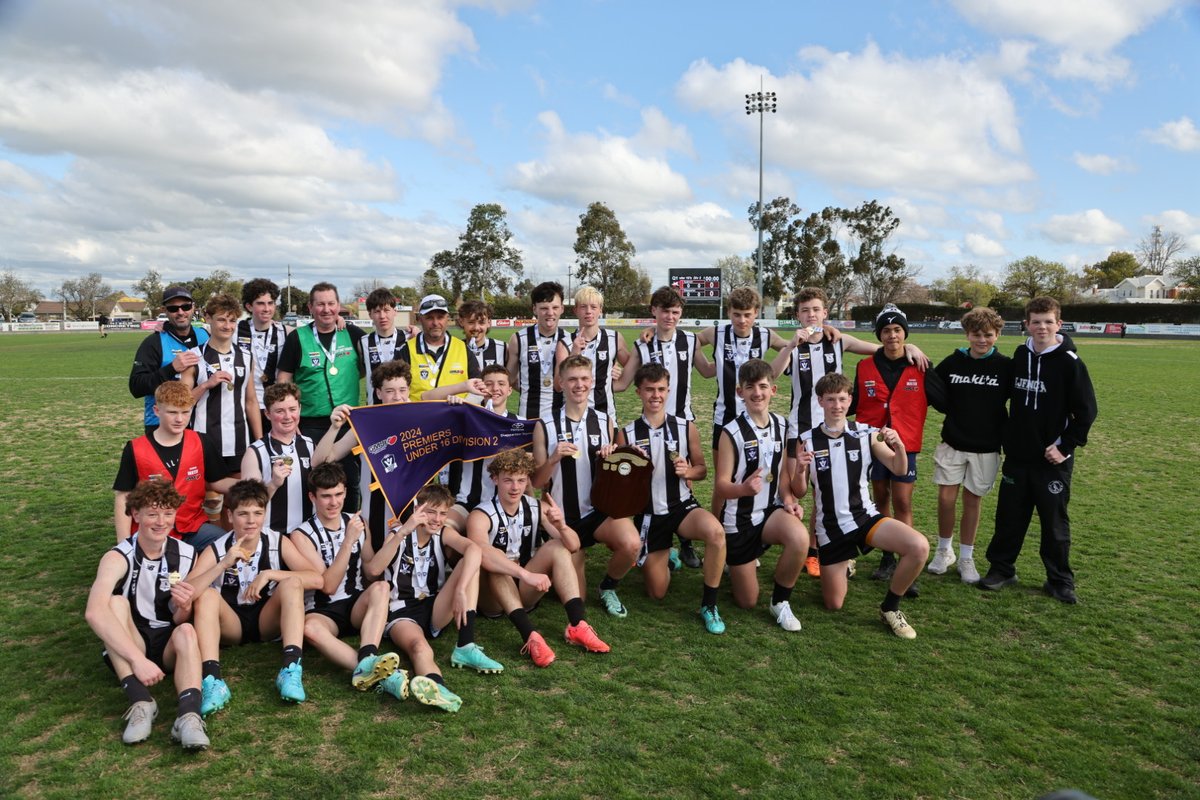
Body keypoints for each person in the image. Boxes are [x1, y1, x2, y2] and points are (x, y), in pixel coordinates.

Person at [774, 287, 927, 578]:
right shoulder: (792, 345)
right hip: (801, 428)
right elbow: (772, 373)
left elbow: (883, 351)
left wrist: (909, 348)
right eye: (805, 310)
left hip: (836, 428)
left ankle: (818, 551)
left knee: (827, 493)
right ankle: (797, 547)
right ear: (797, 315)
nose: (811, 315)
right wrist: (791, 345)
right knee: (795, 492)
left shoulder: (839, 340)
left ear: (825, 313)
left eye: (816, 310)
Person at [792, 373, 930, 639]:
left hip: (865, 518)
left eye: (842, 399)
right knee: (834, 604)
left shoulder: (866, 433)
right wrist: (799, 468)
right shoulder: (807, 439)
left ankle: (890, 607)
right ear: (820, 401)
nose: (837, 405)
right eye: (830, 399)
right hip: (830, 529)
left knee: (919, 546)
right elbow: (798, 491)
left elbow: (899, 468)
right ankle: (845, 562)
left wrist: (899, 446)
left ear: (850, 399)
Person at [979, 297, 1097, 604]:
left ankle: (1059, 580)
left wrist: (1065, 446)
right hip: (1018, 458)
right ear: (1026, 325)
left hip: (1051, 461)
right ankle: (1002, 569)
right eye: (1036, 321)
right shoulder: (1020, 355)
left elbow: (1087, 412)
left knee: (1054, 524)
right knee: (1009, 518)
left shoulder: (1070, 363)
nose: (1041, 327)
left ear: (1059, 324)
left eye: (1048, 321)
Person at [84, 480, 208, 749]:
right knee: (114, 605)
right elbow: (93, 613)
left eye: (167, 513)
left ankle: (188, 716)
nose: (161, 521)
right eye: (152, 513)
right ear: (135, 515)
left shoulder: (187, 554)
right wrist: (137, 660)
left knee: (187, 631)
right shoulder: (117, 556)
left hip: (167, 644)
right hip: (133, 639)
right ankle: (141, 701)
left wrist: (184, 607)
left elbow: (180, 620)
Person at [465, 449, 611, 666]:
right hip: (493, 598)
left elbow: (574, 546)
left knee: (558, 547)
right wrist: (525, 574)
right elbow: (482, 555)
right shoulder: (480, 514)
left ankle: (577, 624)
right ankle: (530, 635)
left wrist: (561, 526)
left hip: (526, 591)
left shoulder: (537, 507)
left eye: (521, 480)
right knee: (495, 559)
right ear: (495, 479)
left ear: (527, 481)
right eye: (508, 480)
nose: (515, 487)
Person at [188, 480, 322, 712]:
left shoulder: (277, 541)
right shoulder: (217, 548)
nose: (251, 521)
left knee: (292, 582)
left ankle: (291, 669)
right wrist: (222, 565)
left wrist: (270, 574)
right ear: (229, 516)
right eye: (243, 514)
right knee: (206, 595)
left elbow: (317, 579)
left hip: (265, 619)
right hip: (231, 624)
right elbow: (188, 592)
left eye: (258, 513)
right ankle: (213, 681)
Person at [364, 485, 499, 713]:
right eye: (431, 512)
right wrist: (403, 532)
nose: (437, 519)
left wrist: (460, 590)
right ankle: (438, 688)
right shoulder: (399, 534)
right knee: (419, 646)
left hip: (434, 607)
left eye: (443, 513)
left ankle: (465, 645)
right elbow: (373, 570)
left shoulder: (444, 533)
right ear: (418, 510)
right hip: (402, 610)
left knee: (471, 562)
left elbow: (475, 550)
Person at [616, 363, 728, 634]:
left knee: (716, 533)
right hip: (649, 514)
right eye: (650, 390)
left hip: (681, 506)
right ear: (638, 392)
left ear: (668, 390)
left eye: (661, 389)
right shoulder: (626, 433)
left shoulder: (685, 427)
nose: (656, 395)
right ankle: (668, 555)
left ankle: (709, 605)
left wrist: (687, 470)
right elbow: (618, 482)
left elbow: (701, 469)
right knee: (657, 593)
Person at [532, 355, 641, 618]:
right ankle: (571, 554)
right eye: (572, 379)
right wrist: (554, 457)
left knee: (632, 544)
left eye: (583, 379)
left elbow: (618, 470)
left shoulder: (605, 421)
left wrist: (614, 455)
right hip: (564, 517)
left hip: (598, 511)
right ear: (560, 383)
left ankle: (608, 586)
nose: (578, 385)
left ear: (592, 382)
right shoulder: (544, 425)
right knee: (573, 597)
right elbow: (537, 482)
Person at [614, 285, 713, 569]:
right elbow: (622, 385)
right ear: (653, 311)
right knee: (651, 476)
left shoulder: (690, 341)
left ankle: (685, 543)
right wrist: (599, 376)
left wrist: (734, 362)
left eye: (675, 312)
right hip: (651, 423)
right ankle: (656, 538)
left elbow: (706, 371)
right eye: (664, 311)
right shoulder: (642, 344)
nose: (670, 316)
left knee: (685, 476)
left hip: (682, 420)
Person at [288, 463, 404, 697]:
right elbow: (328, 586)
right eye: (326, 496)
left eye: (339, 494)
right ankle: (372, 670)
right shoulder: (301, 535)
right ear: (312, 497)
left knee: (382, 587)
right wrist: (348, 542)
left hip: (356, 604)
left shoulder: (357, 522)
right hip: (324, 610)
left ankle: (367, 655)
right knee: (309, 629)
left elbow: (372, 572)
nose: (334, 502)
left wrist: (399, 534)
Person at [713, 359, 810, 632]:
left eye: (763, 386)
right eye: (750, 387)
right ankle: (735, 561)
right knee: (747, 601)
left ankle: (780, 602)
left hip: (768, 513)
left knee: (800, 537)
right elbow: (720, 485)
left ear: (774, 390)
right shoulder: (730, 432)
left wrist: (789, 502)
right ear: (739, 391)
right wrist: (743, 489)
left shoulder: (782, 425)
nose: (757, 392)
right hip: (739, 521)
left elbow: (780, 475)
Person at [925, 306, 1011, 584]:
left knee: (972, 501)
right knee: (945, 498)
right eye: (976, 334)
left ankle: (966, 557)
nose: (982, 340)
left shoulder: (1005, 367)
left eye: (988, 334)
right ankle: (943, 551)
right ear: (967, 335)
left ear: (997, 334)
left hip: (986, 447)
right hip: (953, 442)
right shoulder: (954, 362)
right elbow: (931, 385)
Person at [851, 304, 929, 588]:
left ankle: (908, 556)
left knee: (903, 501)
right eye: (886, 330)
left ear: (905, 333)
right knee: (880, 496)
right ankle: (888, 557)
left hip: (905, 444)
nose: (892, 336)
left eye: (897, 330)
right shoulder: (865, 366)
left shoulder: (920, 365)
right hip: (873, 443)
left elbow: (944, 399)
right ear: (879, 334)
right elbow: (854, 402)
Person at [112, 381, 234, 550]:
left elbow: (216, 482)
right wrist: (123, 543)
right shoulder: (135, 449)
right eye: (172, 412)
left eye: (185, 412)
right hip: (154, 529)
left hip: (193, 526)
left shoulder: (201, 441)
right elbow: (123, 495)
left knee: (225, 544)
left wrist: (257, 485)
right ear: (156, 411)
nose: (179, 419)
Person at [276, 282, 365, 507]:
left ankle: (349, 529)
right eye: (320, 304)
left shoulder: (353, 334)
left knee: (350, 482)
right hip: (310, 424)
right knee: (312, 480)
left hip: (348, 423)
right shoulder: (298, 338)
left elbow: (374, 360)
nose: (326, 309)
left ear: (338, 305)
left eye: (331, 303)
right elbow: (284, 379)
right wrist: (290, 418)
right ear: (311, 307)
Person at [314, 361, 413, 552]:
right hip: (373, 513)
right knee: (373, 572)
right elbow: (320, 461)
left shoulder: (421, 420)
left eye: (402, 390)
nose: (397, 397)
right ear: (378, 393)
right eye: (390, 391)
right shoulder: (365, 423)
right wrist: (335, 427)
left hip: (411, 513)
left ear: (409, 390)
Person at [180, 292, 262, 470]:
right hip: (205, 441)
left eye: (232, 321)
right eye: (221, 320)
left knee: (238, 496)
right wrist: (206, 385)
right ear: (208, 318)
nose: (227, 326)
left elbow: (251, 401)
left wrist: (261, 442)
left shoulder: (246, 357)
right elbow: (181, 404)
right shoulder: (194, 357)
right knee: (211, 497)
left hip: (240, 441)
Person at [240, 382, 321, 536]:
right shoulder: (255, 452)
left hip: (309, 535)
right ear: (268, 414)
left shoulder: (310, 445)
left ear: (300, 409)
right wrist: (273, 484)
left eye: (292, 409)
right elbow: (249, 505)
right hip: (273, 536)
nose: (288, 417)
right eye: (279, 411)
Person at [129, 285, 210, 432]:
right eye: (173, 309)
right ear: (164, 311)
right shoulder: (153, 342)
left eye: (185, 307)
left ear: (193, 307)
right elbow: (136, 387)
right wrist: (171, 369)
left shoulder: (206, 336)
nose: (181, 312)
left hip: (202, 421)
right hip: (162, 425)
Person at [556, 286, 629, 419]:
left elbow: (635, 367)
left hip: (606, 417)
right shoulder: (565, 344)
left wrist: (619, 375)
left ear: (600, 310)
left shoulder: (615, 339)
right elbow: (558, 385)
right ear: (575, 310)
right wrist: (574, 354)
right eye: (583, 307)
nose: (588, 311)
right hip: (572, 418)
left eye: (593, 307)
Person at [507, 281, 569, 420]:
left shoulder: (569, 340)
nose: (550, 313)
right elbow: (510, 378)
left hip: (561, 418)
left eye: (555, 307)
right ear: (534, 309)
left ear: (562, 309)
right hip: (528, 416)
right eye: (544, 308)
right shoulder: (519, 339)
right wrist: (528, 387)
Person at [237, 278, 288, 422]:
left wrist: (338, 321)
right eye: (260, 303)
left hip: (276, 407)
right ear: (249, 306)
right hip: (245, 405)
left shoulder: (285, 331)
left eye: (270, 303)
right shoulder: (234, 331)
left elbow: (314, 330)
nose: (267, 309)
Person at [405, 293, 470, 401]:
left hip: (455, 416)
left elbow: (478, 387)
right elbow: (396, 389)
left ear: (447, 318)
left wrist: (466, 405)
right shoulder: (406, 349)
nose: (435, 323)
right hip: (419, 416)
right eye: (429, 318)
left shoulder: (462, 348)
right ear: (420, 319)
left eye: (440, 317)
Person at [360, 287, 410, 405]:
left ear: (395, 311)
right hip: (374, 410)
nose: (382, 316)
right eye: (377, 311)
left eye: (386, 310)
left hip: (403, 406)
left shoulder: (409, 338)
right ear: (370, 314)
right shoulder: (363, 342)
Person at [457, 299, 507, 379]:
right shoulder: (454, 349)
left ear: (489, 323)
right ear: (461, 322)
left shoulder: (503, 348)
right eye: (471, 322)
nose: (476, 328)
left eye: (481, 322)